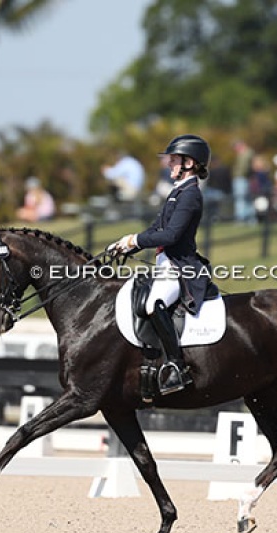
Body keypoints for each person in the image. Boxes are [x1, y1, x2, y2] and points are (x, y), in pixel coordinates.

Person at [107, 134, 215, 399]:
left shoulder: (190, 195)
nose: (169, 164)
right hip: (166, 264)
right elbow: (157, 228)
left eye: (174, 159)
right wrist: (128, 243)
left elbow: (170, 236)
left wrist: (136, 239)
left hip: (181, 266)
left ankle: (176, 366)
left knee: (153, 303)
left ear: (189, 163)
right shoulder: (177, 192)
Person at [231, 140, 255, 223]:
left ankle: (241, 218)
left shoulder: (245, 154)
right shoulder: (247, 154)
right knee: (246, 199)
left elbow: (244, 168)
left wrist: (240, 174)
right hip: (243, 178)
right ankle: (249, 219)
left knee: (240, 199)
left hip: (241, 178)